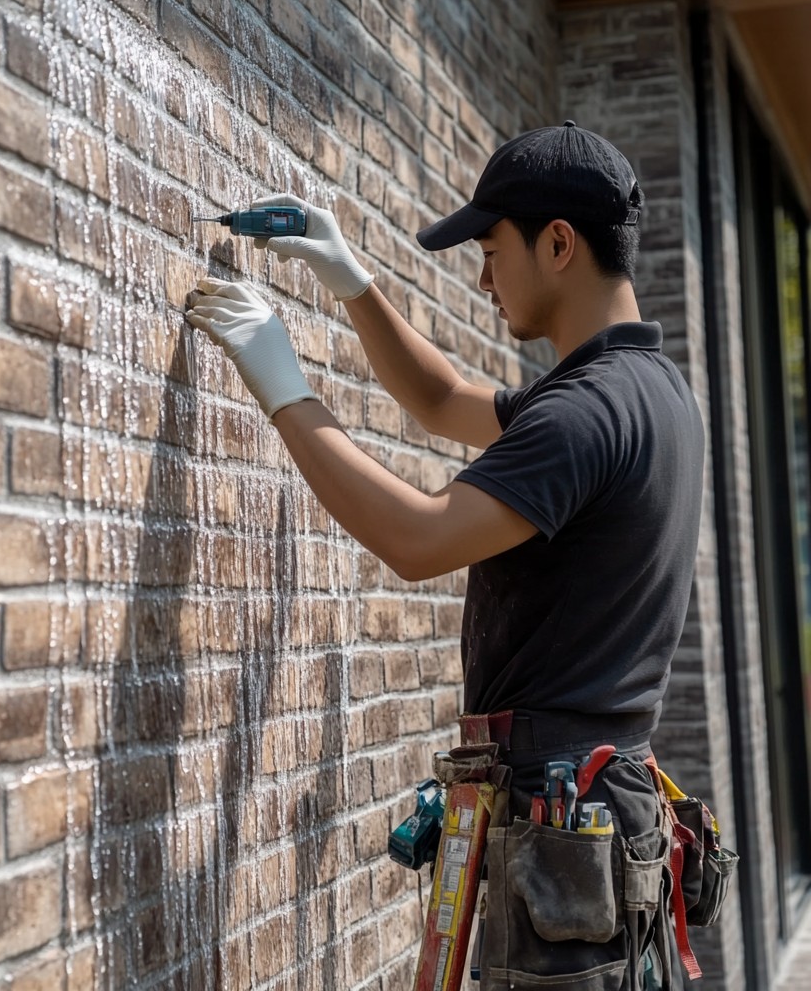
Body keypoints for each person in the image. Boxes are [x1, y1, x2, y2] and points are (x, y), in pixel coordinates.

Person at [186, 122, 704, 990]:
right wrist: (349, 279)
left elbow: (417, 539)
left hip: (562, 820)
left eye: (493, 248)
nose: (483, 274)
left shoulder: (582, 417)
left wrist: (282, 383)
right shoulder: (649, 393)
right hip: (601, 813)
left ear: (560, 244)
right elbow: (444, 399)